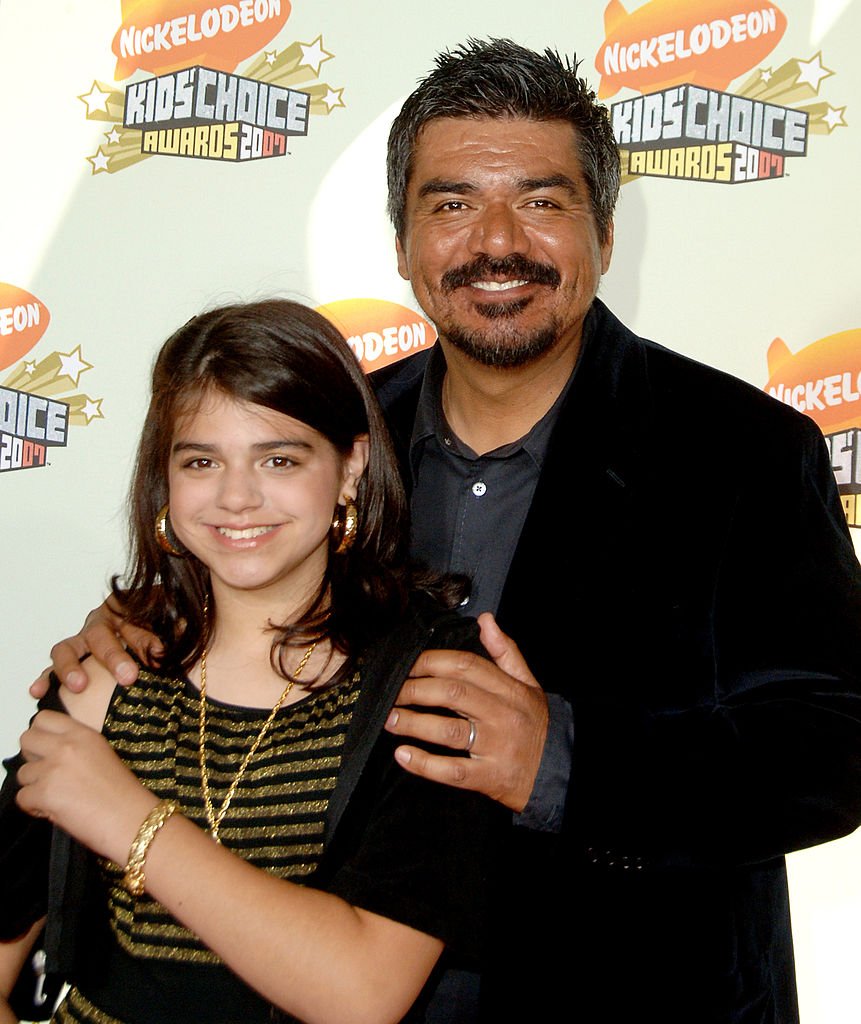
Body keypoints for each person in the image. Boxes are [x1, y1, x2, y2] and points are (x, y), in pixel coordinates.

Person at [32, 38, 861, 1024]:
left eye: (543, 202)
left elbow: (835, 747)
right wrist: (138, 638)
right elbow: (227, 630)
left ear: (604, 232)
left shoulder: (741, 452)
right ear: (402, 243)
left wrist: (560, 761)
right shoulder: (327, 446)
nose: (497, 240)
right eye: (453, 203)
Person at [0, 299, 504, 1024]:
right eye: (201, 460)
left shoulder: (433, 685)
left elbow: (361, 993)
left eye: (278, 458)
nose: (236, 498)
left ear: (350, 466)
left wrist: (126, 819)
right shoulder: (106, 671)